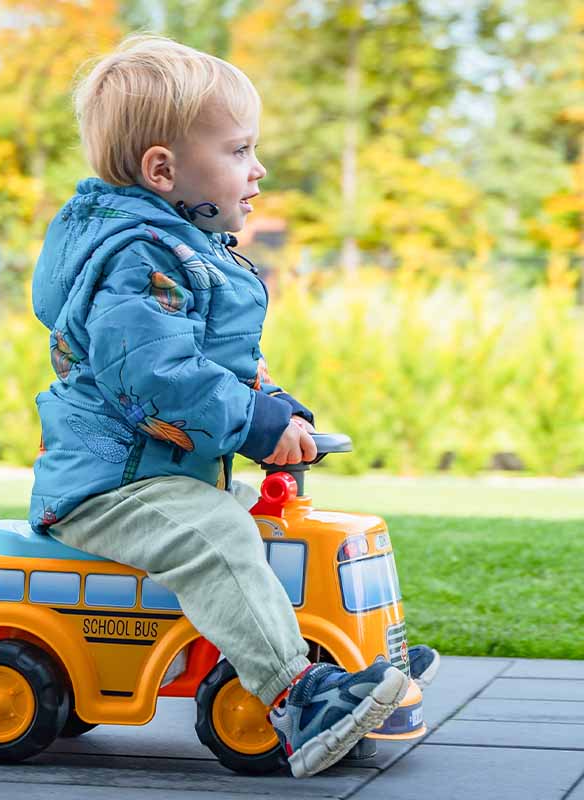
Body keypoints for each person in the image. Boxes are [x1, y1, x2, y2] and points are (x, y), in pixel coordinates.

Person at [28, 33, 439, 777]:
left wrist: (274, 406)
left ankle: (351, 658)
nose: (259, 169)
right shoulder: (138, 258)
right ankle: (296, 694)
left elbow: (220, 366)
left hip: (159, 476)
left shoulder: (187, 249)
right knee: (219, 535)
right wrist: (252, 423)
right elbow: (157, 374)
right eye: (240, 150)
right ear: (164, 170)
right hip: (110, 486)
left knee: (273, 523)